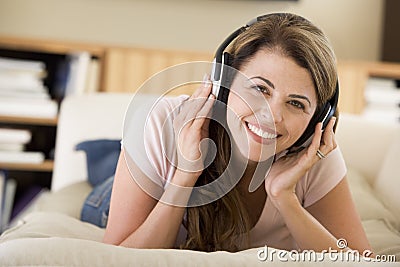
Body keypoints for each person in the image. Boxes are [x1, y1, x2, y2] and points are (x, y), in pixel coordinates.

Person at [102, 13, 372, 254]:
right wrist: (184, 176)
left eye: (296, 103)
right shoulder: (161, 122)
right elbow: (116, 258)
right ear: (225, 83)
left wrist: (285, 198)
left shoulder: (312, 152)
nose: (272, 115)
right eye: (260, 89)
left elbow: (363, 262)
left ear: (319, 119)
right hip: (118, 195)